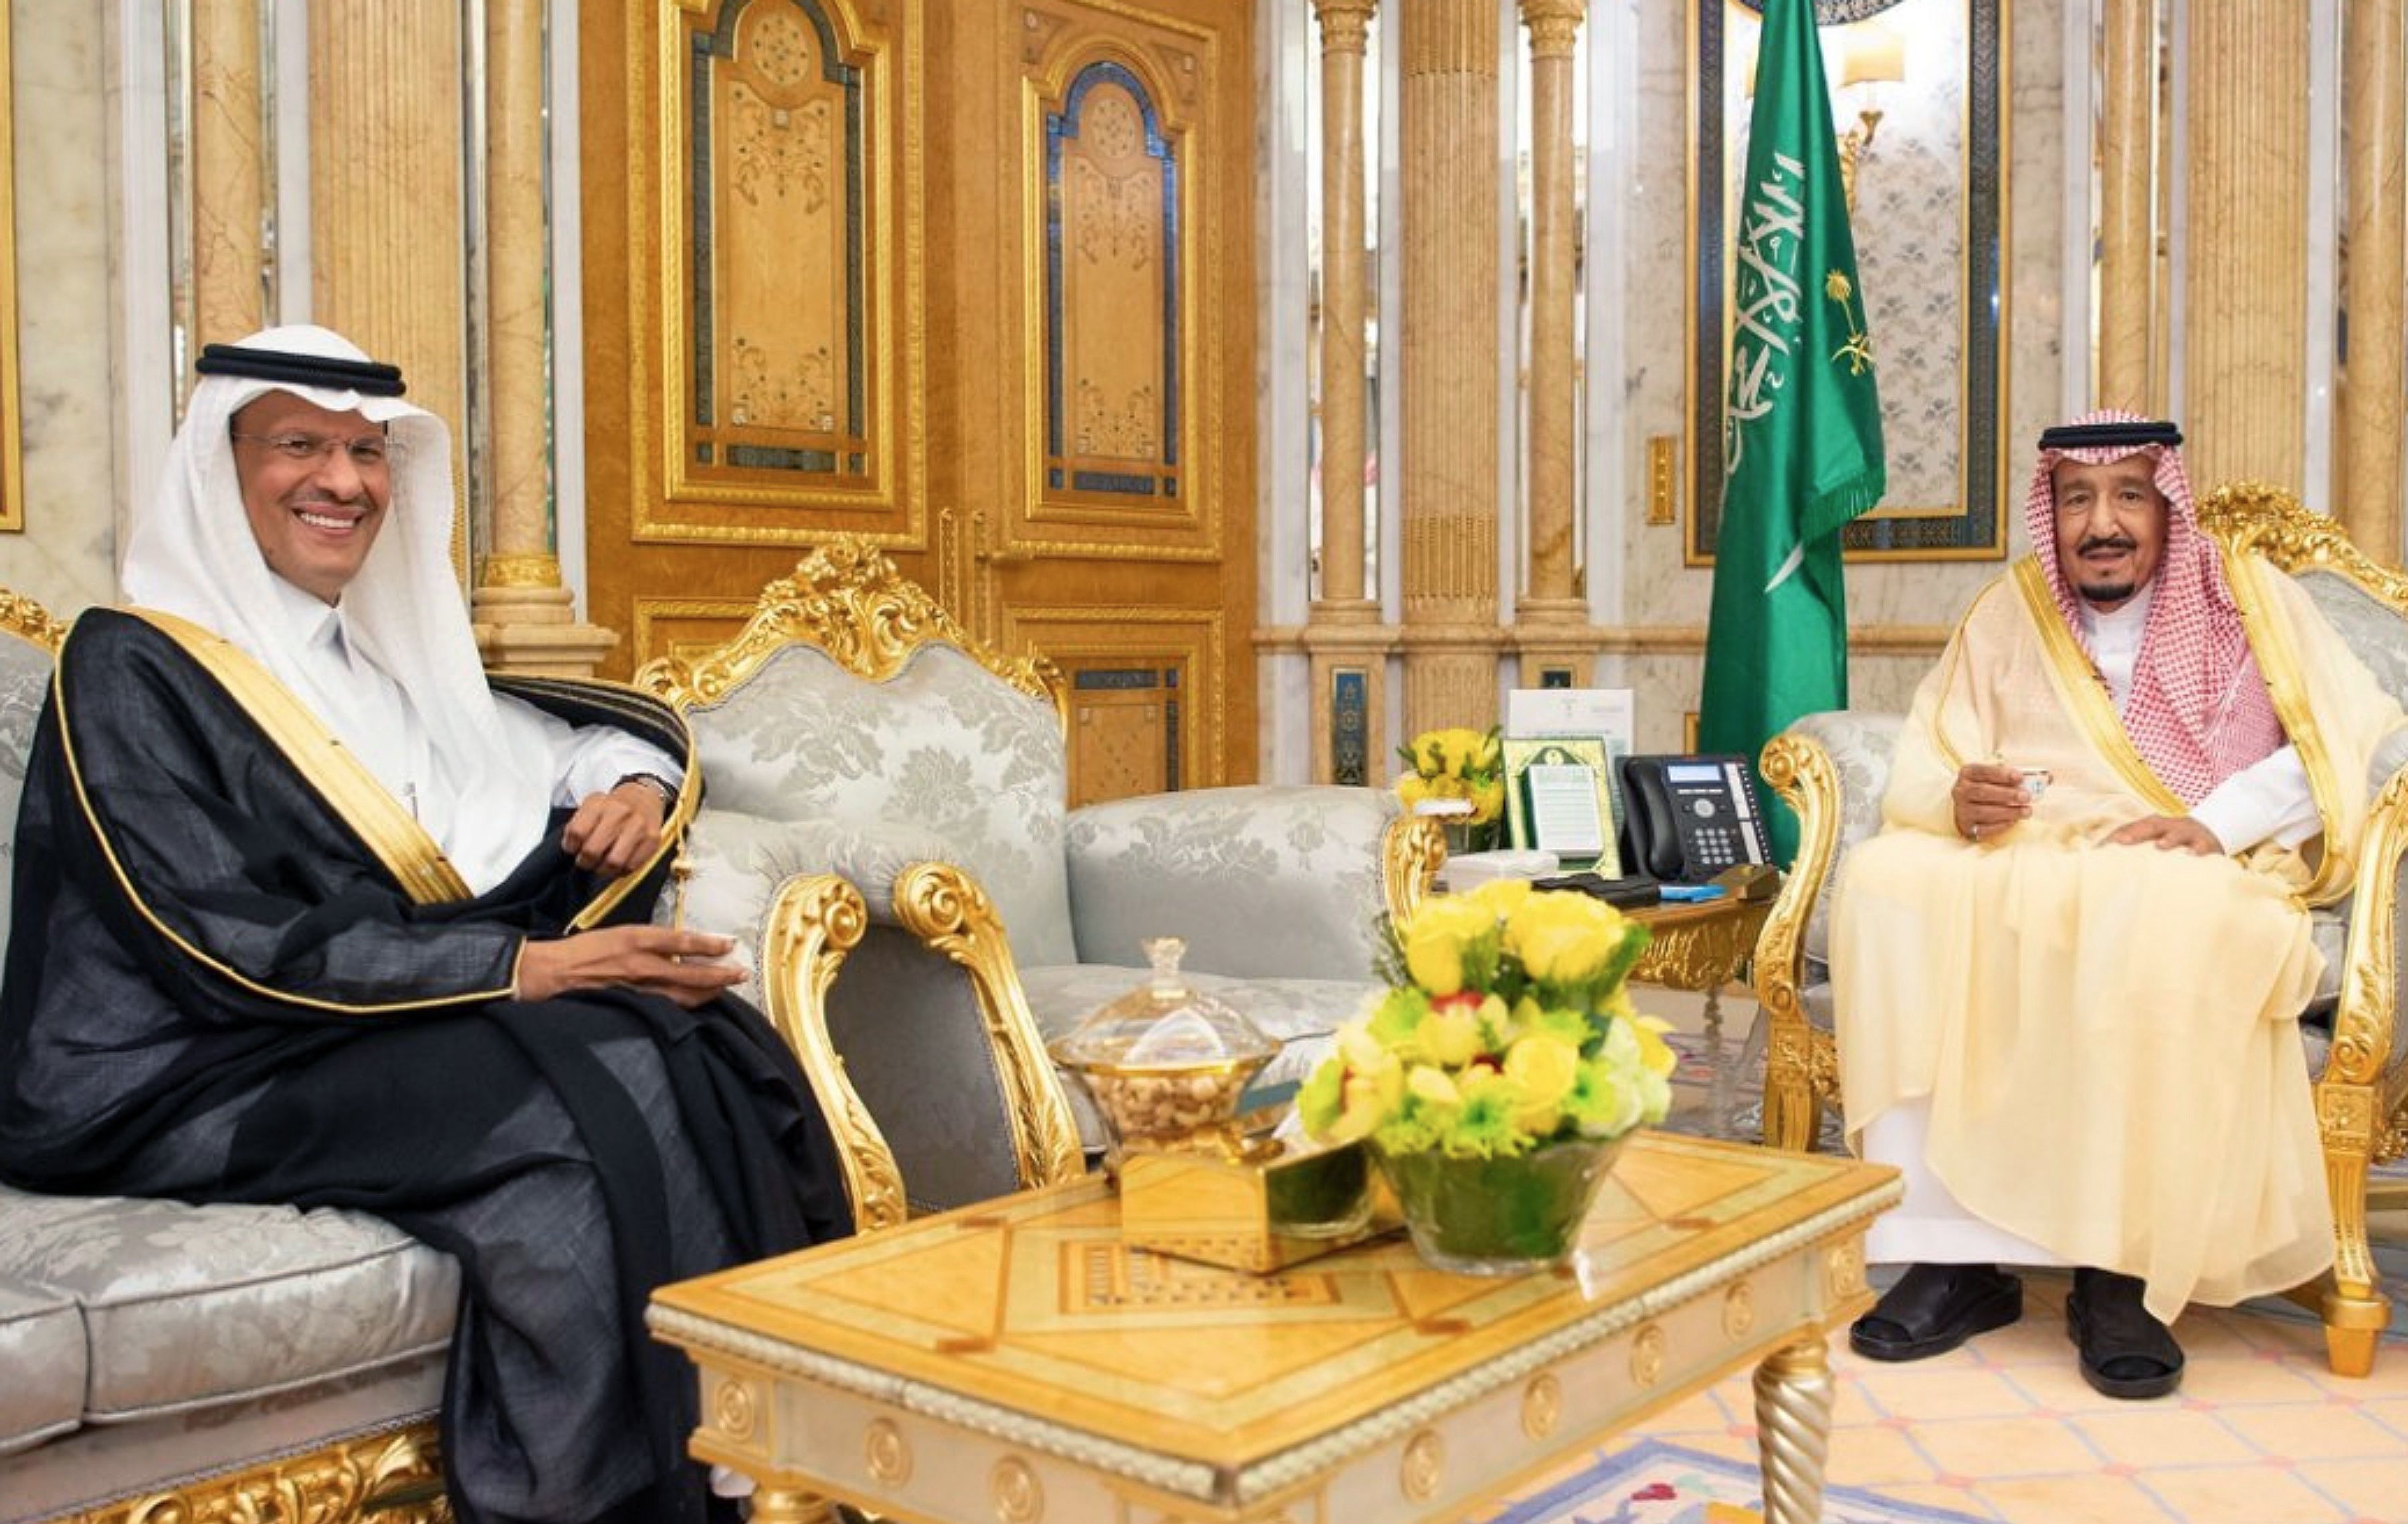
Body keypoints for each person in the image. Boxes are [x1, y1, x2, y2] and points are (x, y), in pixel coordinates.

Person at [0, 325, 850, 1523]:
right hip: (177, 1070)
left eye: (366, 452)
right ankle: (603, 1495)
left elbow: (552, 746)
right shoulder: (132, 661)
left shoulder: (370, 661)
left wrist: (631, 785)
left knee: (698, 1036)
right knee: (586, 1083)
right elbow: (212, 933)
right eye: (299, 444)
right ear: (219, 465)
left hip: (330, 1030)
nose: (341, 480)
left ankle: (756, 1444)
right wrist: (525, 965)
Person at [1827, 411, 2407, 1400]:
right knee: (1888, 884)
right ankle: (1954, 1259)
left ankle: (2120, 1272)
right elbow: (1933, 746)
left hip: (2189, 858)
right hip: (2030, 850)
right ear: (2050, 510)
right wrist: (1959, 799)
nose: (2103, 523)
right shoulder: (2010, 608)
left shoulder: (2247, 595)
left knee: (2153, 910)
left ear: (2166, 505)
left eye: (2129, 495)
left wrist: (2216, 822)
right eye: (2078, 499)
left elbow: (2351, 732)